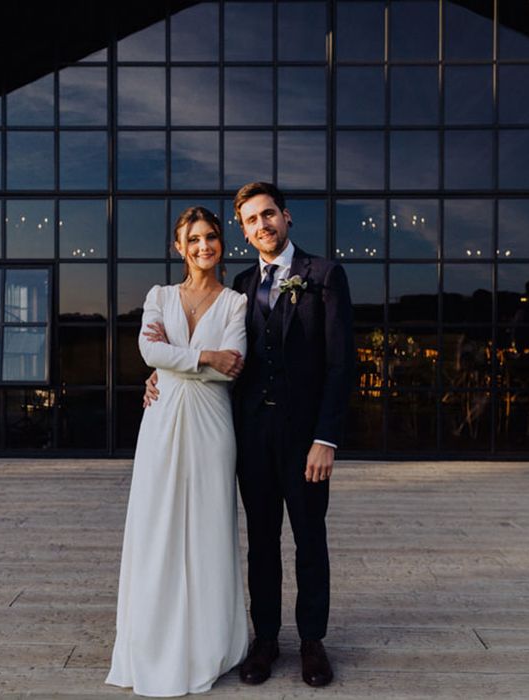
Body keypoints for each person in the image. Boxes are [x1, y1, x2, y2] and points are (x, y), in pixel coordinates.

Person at [145, 183, 355, 688]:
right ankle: (265, 641)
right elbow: (219, 354)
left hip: (305, 440)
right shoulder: (240, 284)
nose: (261, 226)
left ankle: (311, 642)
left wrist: (326, 438)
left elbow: (340, 364)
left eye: (268, 216)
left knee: (309, 539)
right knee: (261, 542)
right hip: (249, 437)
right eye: (250, 221)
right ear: (244, 230)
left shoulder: (323, 276)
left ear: (285, 217)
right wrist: (161, 374)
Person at [106, 207, 249, 696]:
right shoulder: (159, 296)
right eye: (194, 239)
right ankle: (152, 639)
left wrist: (179, 361)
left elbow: (233, 367)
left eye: (211, 237)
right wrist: (203, 356)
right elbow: (150, 353)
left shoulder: (235, 302)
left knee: (209, 528)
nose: (204, 246)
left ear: (221, 244)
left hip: (212, 423)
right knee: (157, 524)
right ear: (179, 247)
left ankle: (210, 643)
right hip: (162, 420)